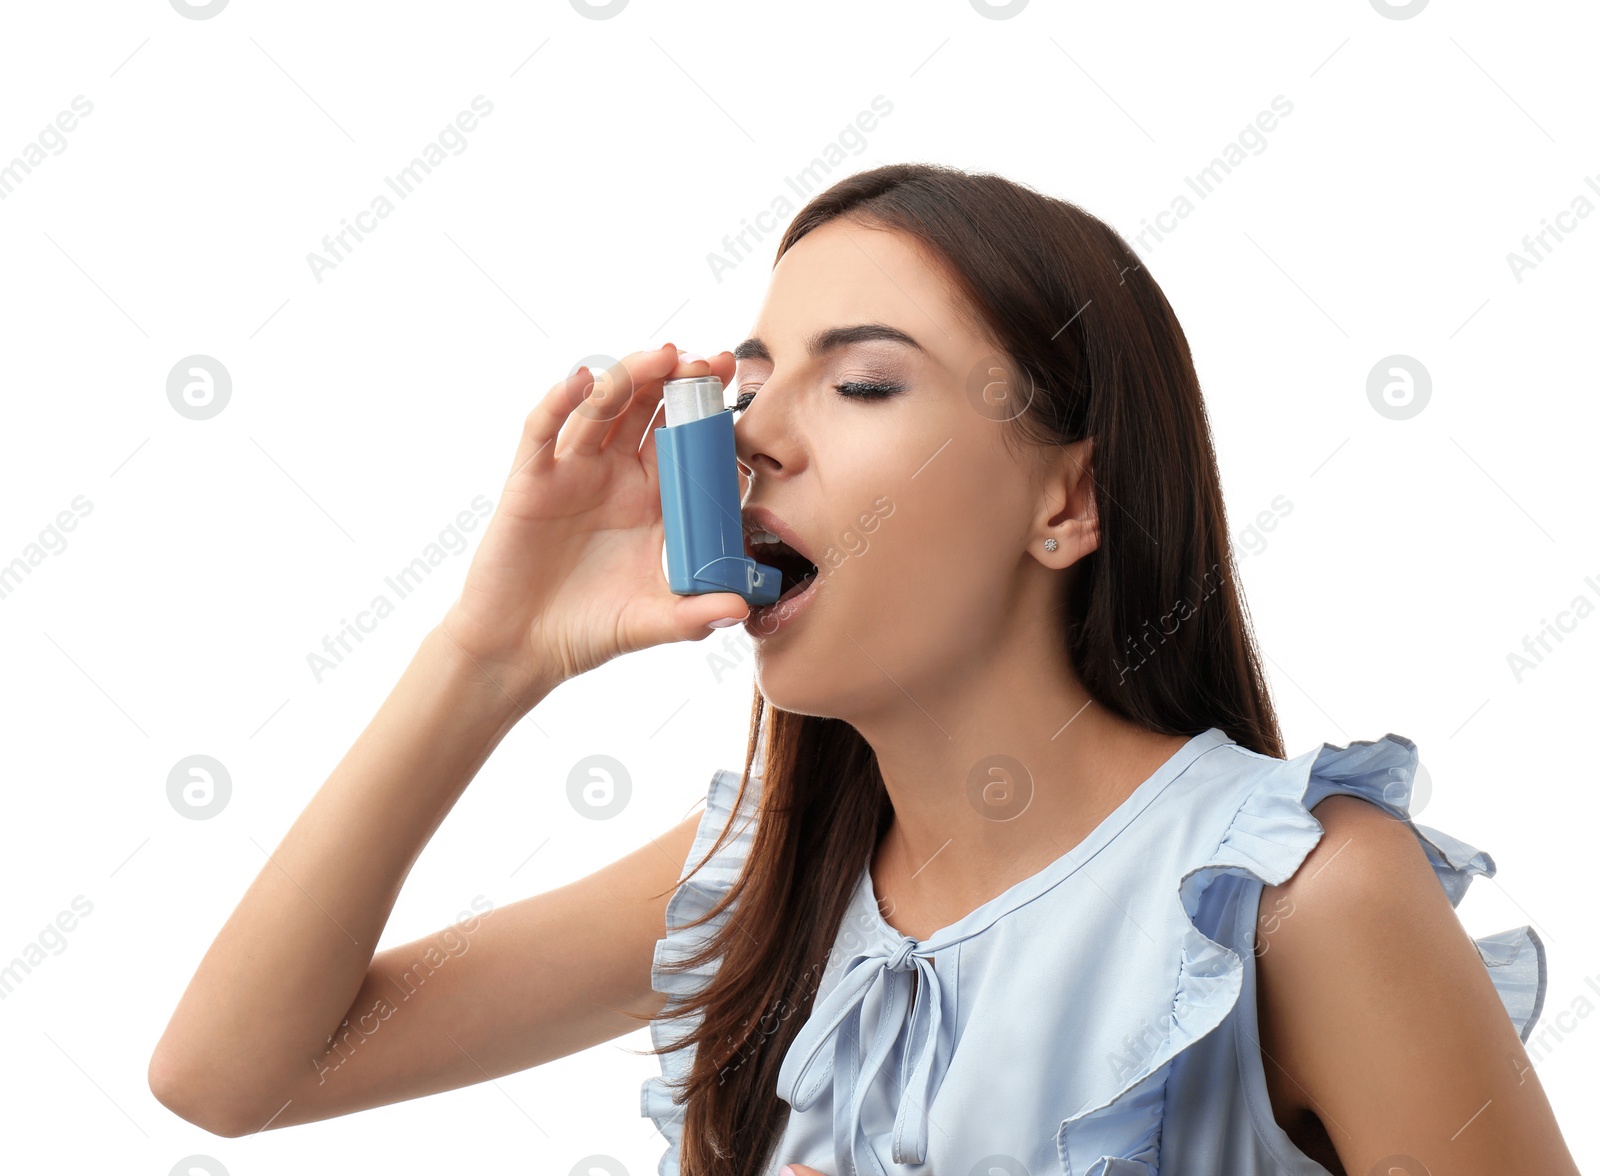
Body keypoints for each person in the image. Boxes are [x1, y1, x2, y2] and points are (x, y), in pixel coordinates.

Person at [147, 163, 1579, 1175]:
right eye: (755, 381)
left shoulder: (1294, 898)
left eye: (866, 378)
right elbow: (233, 1076)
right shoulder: (763, 877)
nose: (753, 434)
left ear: (1066, 503)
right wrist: (490, 652)